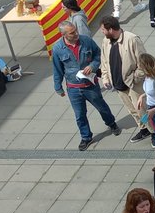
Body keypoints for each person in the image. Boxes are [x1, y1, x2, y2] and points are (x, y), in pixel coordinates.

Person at [51, 20, 119, 150]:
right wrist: (58, 87)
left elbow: (99, 55)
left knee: (102, 107)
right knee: (80, 115)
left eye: (75, 30)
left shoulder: (86, 41)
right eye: (72, 33)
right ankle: (86, 137)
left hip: (90, 85)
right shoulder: (58, 49)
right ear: (63, 35)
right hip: (73, 88)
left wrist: (92, 66)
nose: (76, 34)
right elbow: (57, 69)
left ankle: (111, 123)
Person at [97, 16, 150, 142]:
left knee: (142, 110)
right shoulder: (106, 41)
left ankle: (154, 132)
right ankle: (144, 129)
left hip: (134, 84)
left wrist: (134, 78)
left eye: (103, 30)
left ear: (110, 29)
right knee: (133, 111)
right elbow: (104, 61)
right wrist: (105, 77)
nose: (102, 32)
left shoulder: (132, 39)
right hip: (119, 85)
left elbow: (144, 64)